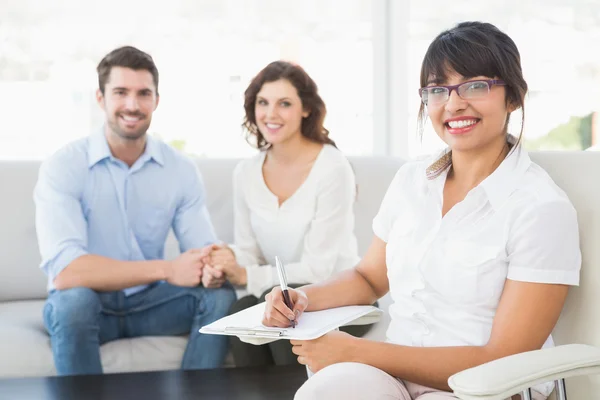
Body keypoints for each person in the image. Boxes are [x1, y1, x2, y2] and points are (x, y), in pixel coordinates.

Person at [262, 22, 581, 400]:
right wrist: (302, 298)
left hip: (484, 389)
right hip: (394, 376)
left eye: (475, 86)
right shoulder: (412, 180)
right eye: (437, 90)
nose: (454, 103)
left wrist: (356, 352)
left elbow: (501, 358)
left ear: (513, 97)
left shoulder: (541, 208)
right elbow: (368, 278)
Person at [34, 46, 236, 376]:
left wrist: (210, 268)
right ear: (100, 98)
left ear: (156, 100)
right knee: (73, 302)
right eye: (121, 93)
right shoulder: (64, 165)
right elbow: (67, 272)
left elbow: (202, 250)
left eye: (143, 93)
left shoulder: (180, 169)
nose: (132, 105)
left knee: (220, 298)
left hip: (152, 305)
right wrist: (168, 269)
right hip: (90, 306)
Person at [200, 60, 369, 367]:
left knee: (280, 310)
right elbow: (249, 252)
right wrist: (225, 262)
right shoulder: (246, 173)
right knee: (244, 308)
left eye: (284, 103)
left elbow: (319, 270)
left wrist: (247, 275)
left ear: (306, 109)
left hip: (335, 296)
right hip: (276, 293)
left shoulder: (332, 167)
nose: (271, 114)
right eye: (263, 103)